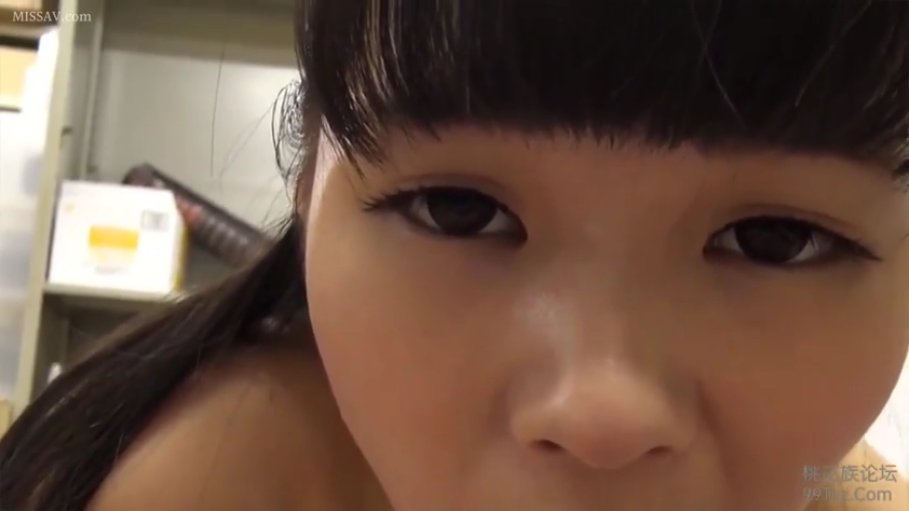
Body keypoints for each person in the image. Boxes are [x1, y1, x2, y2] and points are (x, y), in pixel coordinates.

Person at [1, 1, 908, 510]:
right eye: (458, 211)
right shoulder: (206, 479)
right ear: (306, 195)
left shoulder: (850, 480)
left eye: (774, 240)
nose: (600, 410)